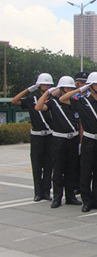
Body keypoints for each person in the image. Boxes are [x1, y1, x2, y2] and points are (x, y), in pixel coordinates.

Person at [59, 72, 97, 212]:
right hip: (89, 140)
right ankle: (86, 201)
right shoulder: (82, 101)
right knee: (86, 172)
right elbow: (63, 99)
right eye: (96, 84)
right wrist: (81, 89)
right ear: (90, 85)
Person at [35, 76, 82, 208]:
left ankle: (70, 196)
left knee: (71, 169)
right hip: (58, 139)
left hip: (73, 138)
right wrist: (48, 92)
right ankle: (57, 197)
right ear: (60, 89)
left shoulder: (74, 101)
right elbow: (38, 107)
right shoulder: (53, 102)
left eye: (71, 88)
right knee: (58, 170)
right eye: (66, 88)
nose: (69, 90)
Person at [12, 73, 54, 202]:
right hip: (36, 136)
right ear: (39, 85)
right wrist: (28, 89)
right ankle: (37, 192)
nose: (46, 87)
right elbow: (14, 100)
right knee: (36, 166)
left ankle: (46, 192)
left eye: (48, 85)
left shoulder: (53, 99)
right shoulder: (32, 99)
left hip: (49, 135)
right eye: (43, 84)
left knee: (48, 166)